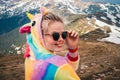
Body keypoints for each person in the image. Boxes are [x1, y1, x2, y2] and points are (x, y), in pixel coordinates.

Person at [19, 7, 80, 80]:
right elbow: (64, 71)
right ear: (40, 36)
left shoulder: (31, 57)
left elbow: (66, 71)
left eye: (63, 34)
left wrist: (72, 49)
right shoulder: (58, 66)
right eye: (55, 35)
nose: (61, 39)